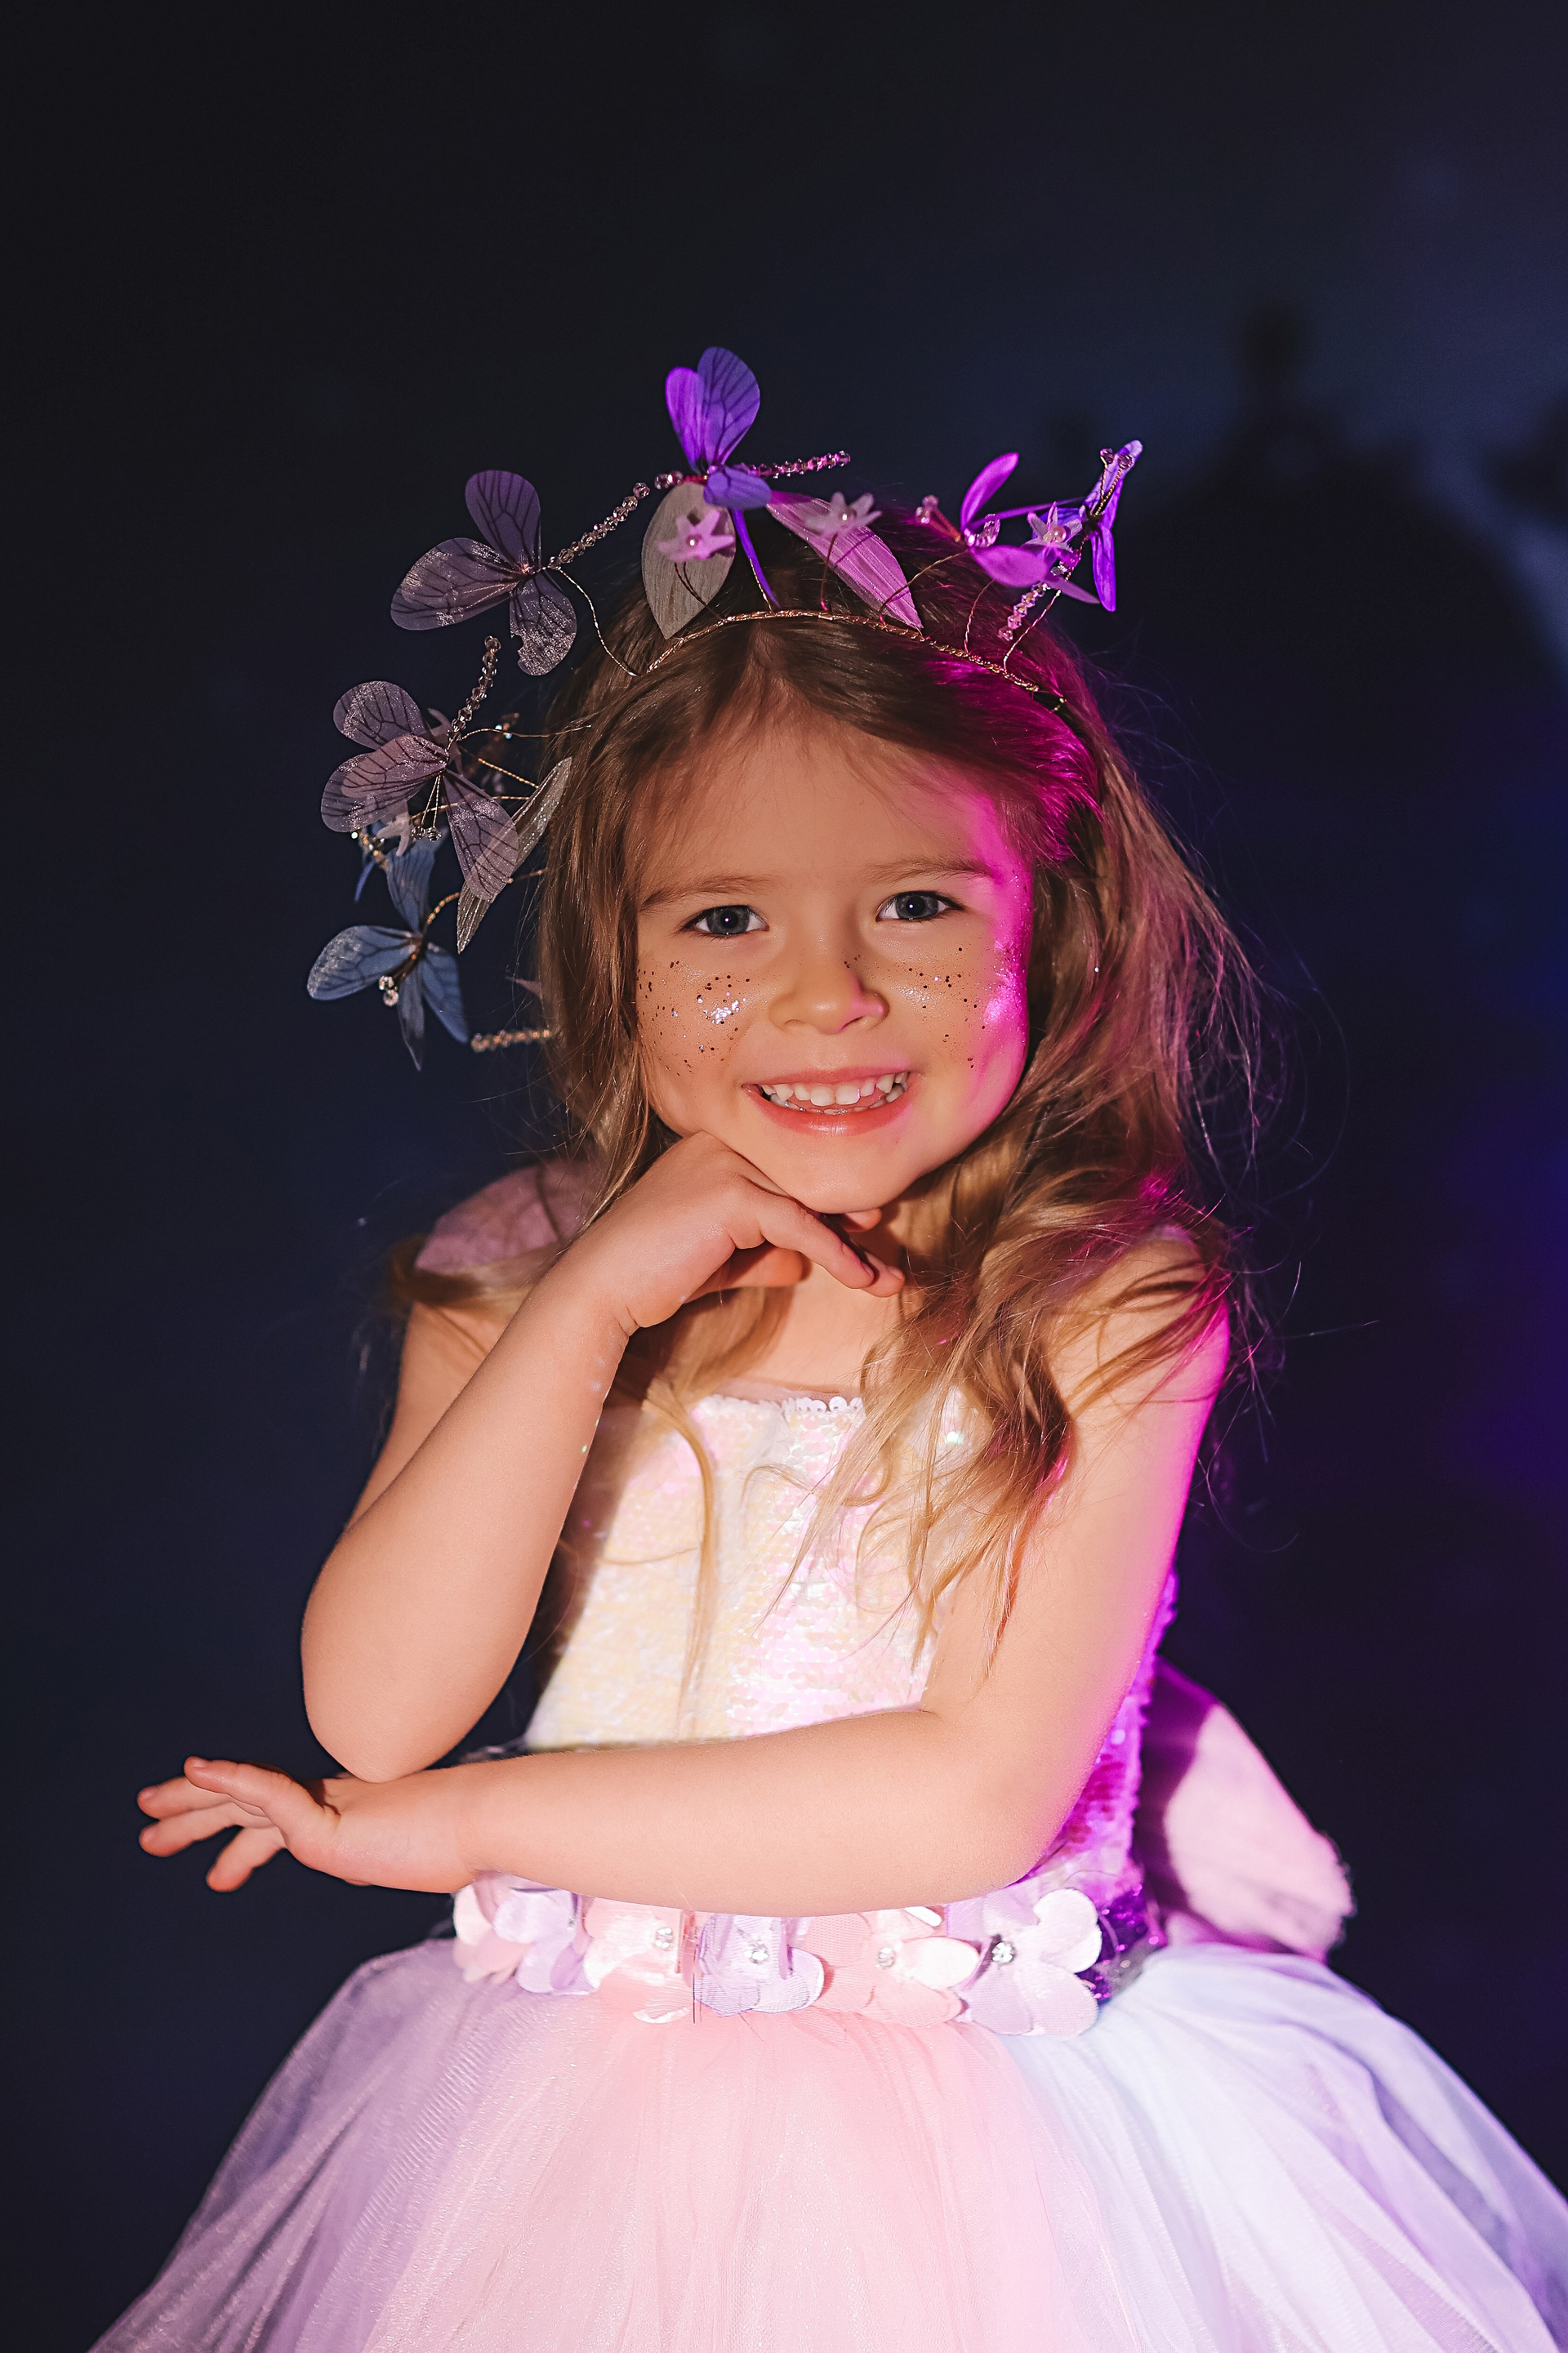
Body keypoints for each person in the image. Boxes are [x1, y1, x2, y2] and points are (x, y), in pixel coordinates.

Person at [105, 354, 1568, 2349]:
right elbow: (375, 1705)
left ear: (1049, 921)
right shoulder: (515, 1258)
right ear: (615, 950)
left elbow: (966, 1797)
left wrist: (456, 1826)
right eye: (726, 921)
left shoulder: (1101, 1294)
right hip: (574, 2135)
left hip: (991, 2155)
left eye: (914, 904)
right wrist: (588, 1309)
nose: (829, 994)